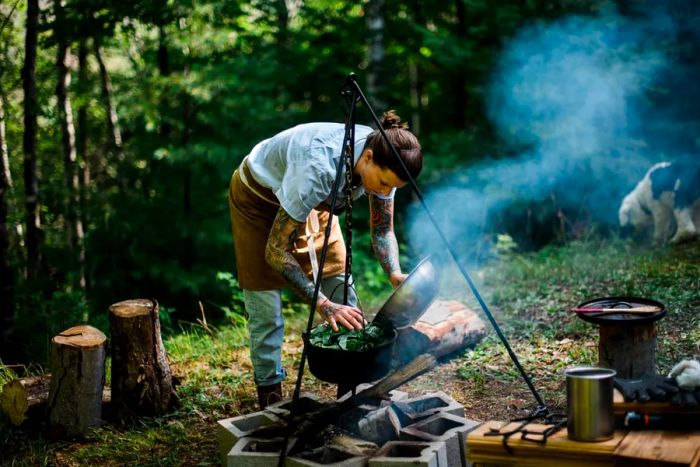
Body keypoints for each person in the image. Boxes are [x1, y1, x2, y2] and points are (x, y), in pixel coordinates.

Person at [228, 110, 422, 409]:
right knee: (265, 306)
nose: (386, 192)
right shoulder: (317, 169)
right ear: (367, 158)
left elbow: (383, 229)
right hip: (259, 200)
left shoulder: (386, 160)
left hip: (317, 200)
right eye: (383, 183)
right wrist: (322, 303)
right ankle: (271, 397)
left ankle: (353, 390)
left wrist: (394, 273)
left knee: (342, 286)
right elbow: (276, 251)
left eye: (393, 188)